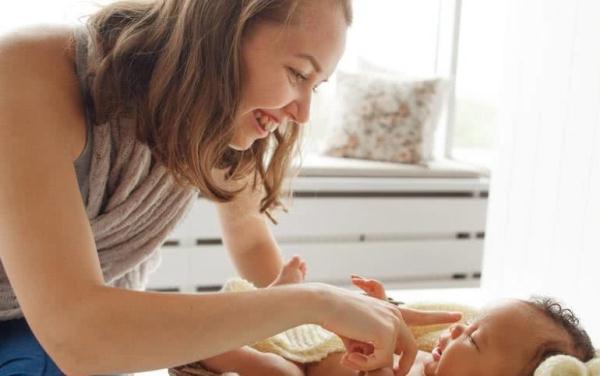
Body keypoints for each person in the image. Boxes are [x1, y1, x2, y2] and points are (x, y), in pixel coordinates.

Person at [0, 1, 462, 375]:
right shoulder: (28, 71)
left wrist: (313, 338)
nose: (302, 114)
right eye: (298, 73)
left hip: (61, 335)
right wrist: (313, 303)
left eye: (315, 87)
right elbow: (79, 336)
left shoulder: (215, 122)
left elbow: (249, 237)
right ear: (222, 31)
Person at [198, 257, 596, 376]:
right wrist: (384, 307)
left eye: (473, 339)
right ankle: (278, 301)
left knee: (275, 371)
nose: (457, 328)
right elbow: (398, 331)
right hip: (325, 343)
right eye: (470, 325)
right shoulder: (430, 364)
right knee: (289, 327)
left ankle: (220, 348)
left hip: (303, 372)